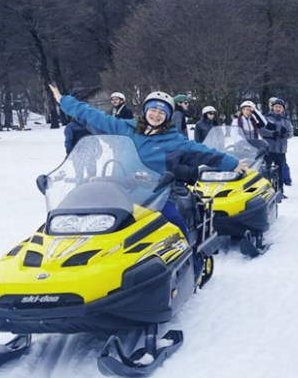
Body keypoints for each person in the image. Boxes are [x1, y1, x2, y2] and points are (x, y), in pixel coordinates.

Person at [48, 84, 247, 280]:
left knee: (176, 224)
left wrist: (231, 163)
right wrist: (64, 101)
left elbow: (203, 152)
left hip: (155, 197)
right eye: (153, 109)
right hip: (119, 193)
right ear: (145, 110)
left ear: (168, 116)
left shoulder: (174, 140)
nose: (156, 114)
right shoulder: (125, 128)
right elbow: (92, 115)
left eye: (162, 112)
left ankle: (191, 268)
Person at [263, 98, 294, 193]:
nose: (278, 109)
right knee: (266, 170)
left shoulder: (286, 120)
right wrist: (272, 133)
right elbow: (261, 130)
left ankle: (280, 191)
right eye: (276, 106)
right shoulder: (266, 118)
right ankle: (266, 191)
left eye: (280, 107)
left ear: (283, 109)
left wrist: (285, 134)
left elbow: (291, 133)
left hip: (281, 150)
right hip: (269, 149)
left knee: (280, 172)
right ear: (272, 107)